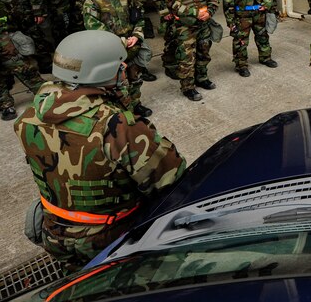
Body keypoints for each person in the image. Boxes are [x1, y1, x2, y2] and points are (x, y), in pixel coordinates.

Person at [15, 29, 186, 272]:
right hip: (109, 238)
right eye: (121, 65)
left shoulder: (30, 116)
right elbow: (171, 175)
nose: (125, 68)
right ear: (104, 72)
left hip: (53, 232)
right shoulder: (117, 127)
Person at [82, 0, 151, 117]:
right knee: (118, 85)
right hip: (111, 51)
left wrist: (137, 35)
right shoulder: (91, 2)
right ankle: (124, 113)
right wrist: (121, 42)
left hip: (131, 46)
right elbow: (95, 29)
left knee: (135, 78)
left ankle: (136, 104)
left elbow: (138, 17)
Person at [164, 0, 220, 101]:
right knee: (186, 58)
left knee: (204, 53)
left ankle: (202, 78)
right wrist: (196, 13)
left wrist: (209, 12)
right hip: (185, 29)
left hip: (203, 25)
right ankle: (188, 87)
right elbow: (175, 5)